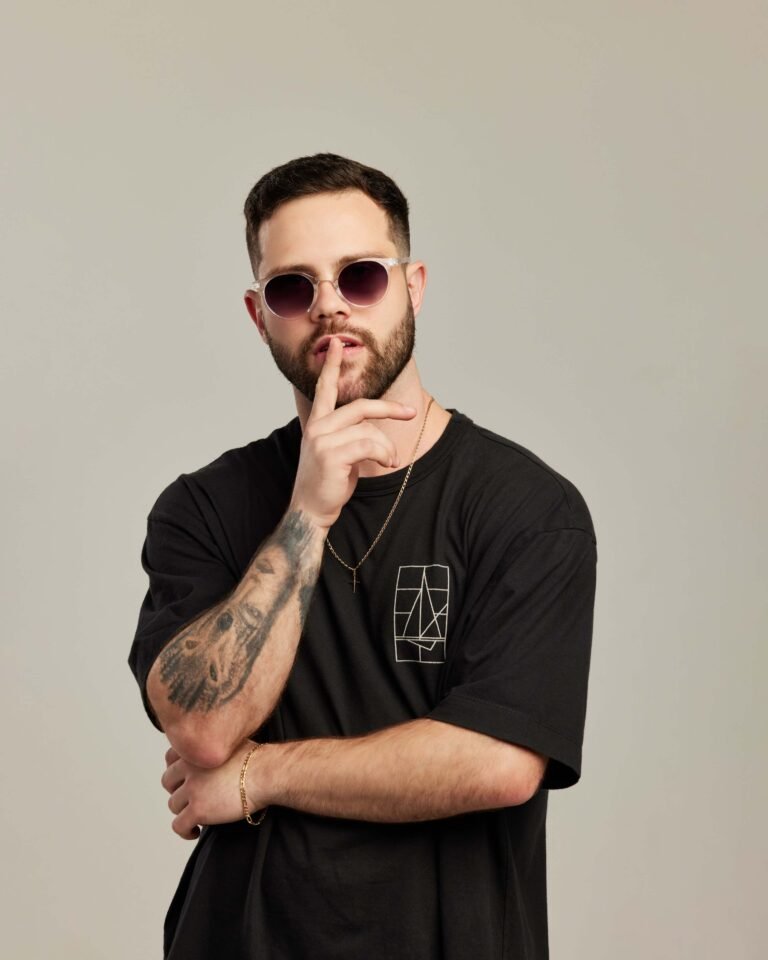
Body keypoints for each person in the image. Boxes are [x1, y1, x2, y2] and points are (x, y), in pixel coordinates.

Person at [128, 152, 598, 960]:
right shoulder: (202, 508)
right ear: (259, 315)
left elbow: (496, 763)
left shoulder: (526, 509)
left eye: (361, 276)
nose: (330, 307)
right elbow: (201, 728)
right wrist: (307, 515)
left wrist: (260, 776)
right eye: (293, 288)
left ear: (413, 286)